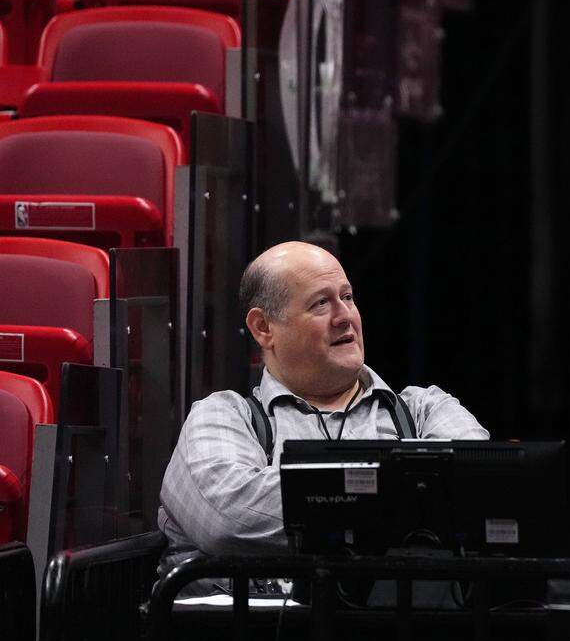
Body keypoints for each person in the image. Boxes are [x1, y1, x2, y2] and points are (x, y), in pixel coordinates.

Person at [158, 241, 489, 572]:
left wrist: (330, 501)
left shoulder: (425, 410)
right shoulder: (224, 417)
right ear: (263, 327)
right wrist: (408, 500)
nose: (345, 316)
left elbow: (481, 495)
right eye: (321, 303)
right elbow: (229, 521)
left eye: (347, 297)